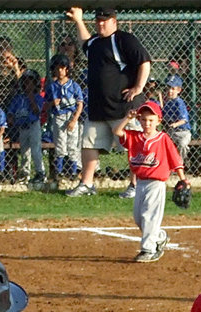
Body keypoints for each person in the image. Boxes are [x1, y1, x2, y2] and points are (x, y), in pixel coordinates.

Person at [64, 6, 150, 197]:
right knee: (89, 144)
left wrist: (138, 87)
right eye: (98, 21)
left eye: (105, 20)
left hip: (123, 106)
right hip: (98, 107)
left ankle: (136, 185)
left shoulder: (123, 39)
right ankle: (87, 184)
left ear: (114, 21)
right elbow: (85, 43)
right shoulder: (95, 42)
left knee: (131, 146)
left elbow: (144, 61)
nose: (100, 24)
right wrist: (79, 20)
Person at [115, 99, 186, 263]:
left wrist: (183, 179)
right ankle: (160, 236)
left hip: (156, 183)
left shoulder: (162, 138)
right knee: (139, 218)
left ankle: (149, 249)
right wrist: (127, 118)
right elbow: (117, 131)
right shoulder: (134, 137)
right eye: (144, 119)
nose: (147, 123)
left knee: (149, 217)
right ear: (139, 120)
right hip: (140, 183)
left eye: (151, 120)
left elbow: (175, 159)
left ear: (158, 121)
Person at [46, 54, 84, 182]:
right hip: (59, 116)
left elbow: (80, 104)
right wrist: (52, 103)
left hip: (71, 116)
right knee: (60, 145)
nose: (60, 71)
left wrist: (74, 120)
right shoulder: (52, 86)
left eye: (62, 68)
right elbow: (45, 104)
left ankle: (73, 172)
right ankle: (59, 171)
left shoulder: (74, 86)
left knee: (72, 145)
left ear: (67, 69)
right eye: (57, 68)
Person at [7, 69, 45, 187]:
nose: (27, 85)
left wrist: (31, 97)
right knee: (24, 152)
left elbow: (37, 111)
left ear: (35, 84)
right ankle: (25, 173)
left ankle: (40, 172)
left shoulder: (37, 97)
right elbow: (11, 111)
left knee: (35, 150)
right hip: (22, 128)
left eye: (30, 82)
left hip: (34, 125)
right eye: (25, 82)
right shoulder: (18, 98)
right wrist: (10, 117)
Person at [161, 74, 191, 162]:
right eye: (168, 88)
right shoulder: (167, 103)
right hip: (171, 132)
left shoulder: (179, 102)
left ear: (179, 90)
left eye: (173, 89)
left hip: (183, 132)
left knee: (182, 144)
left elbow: (184, 120)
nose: (170, 91)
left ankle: (181, 162)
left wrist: (175, 124)